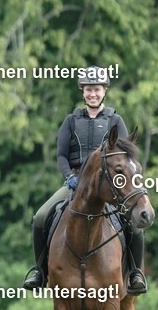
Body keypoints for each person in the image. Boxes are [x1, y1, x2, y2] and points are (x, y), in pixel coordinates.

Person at [22, 68, 147, 295]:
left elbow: (126, 157)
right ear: (83, 92)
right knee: (40, 216)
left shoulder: (115, 120)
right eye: (89, 90)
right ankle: (40, 271)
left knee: (132, 224)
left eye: (97, 90)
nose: (93, 94)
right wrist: (69, 177)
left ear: (104, 91)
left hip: (107, 186)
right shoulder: (71, 121)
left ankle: (135, 273)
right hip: (75, 183)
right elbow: (61, 156)